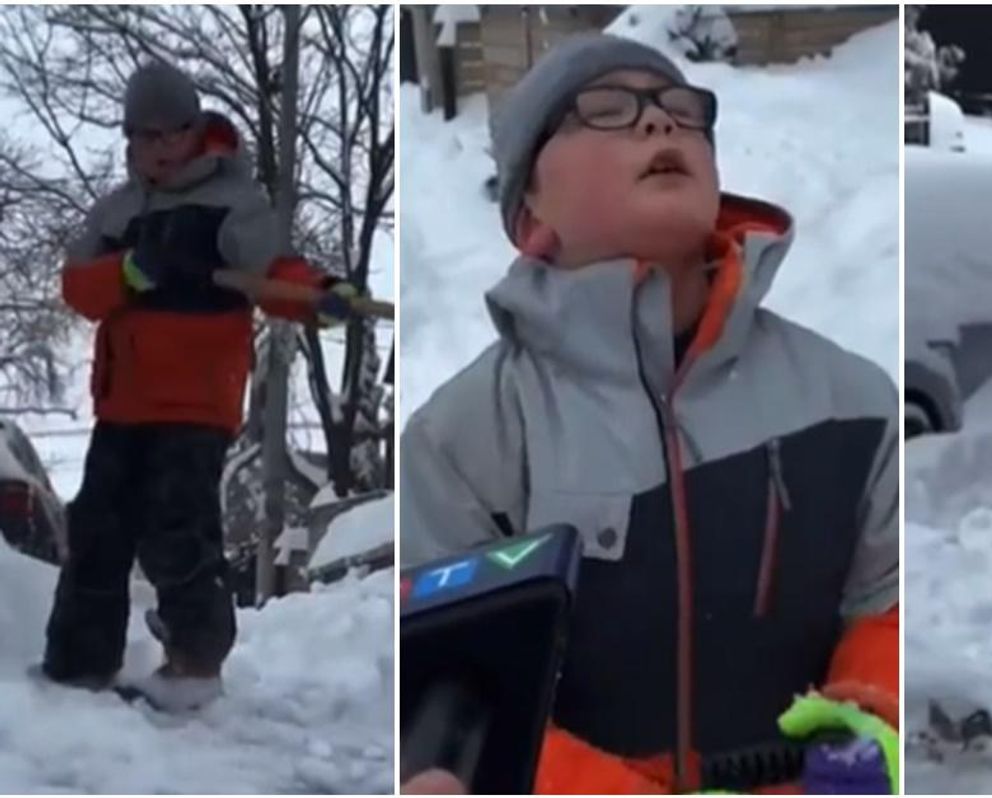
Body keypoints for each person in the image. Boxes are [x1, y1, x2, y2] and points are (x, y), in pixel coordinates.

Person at [399, 35, 898, 793]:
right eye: (605, 109)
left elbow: (889, 610)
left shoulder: (852, 401)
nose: (661, 123)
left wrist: (867, 723)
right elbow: (449, 703)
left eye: (683, 111)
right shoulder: (463, 441)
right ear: (530, 211)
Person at [41, 61, 358, 710]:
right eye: (145, 136)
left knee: (176, 526)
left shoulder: (231, 204)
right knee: (97, 531)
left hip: (195, 403)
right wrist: (128, 273)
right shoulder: (118, 211)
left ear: (195, 130)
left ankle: (194, 662)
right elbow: (77, 287)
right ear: (129, 139)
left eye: (173, 133)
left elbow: (275, 272)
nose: (160, 148)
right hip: (122, 404)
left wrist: (319, 295)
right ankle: (78, 667)